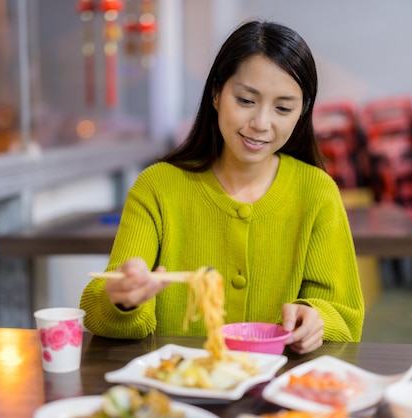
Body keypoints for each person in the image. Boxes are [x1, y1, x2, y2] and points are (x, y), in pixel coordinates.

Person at [80, 19, 364, 354]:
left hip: (276, 398)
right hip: (178, 392)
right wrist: (122, 300)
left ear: (302, 112)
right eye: (245, 100)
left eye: (283, 108)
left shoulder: (317, 192)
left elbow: (344, 315)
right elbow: (99, 308)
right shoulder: (157, 187)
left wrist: (316, 318)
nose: (260, 123)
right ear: (216, 93)